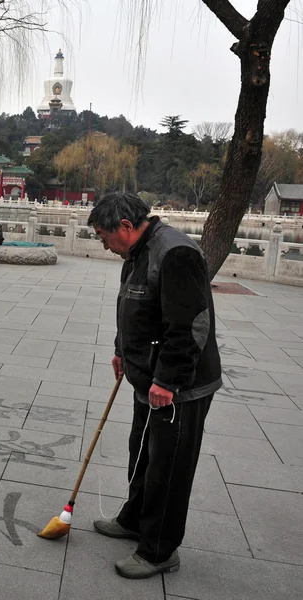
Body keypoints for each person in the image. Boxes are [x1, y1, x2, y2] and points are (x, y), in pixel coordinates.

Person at [88, 193, 222, 580]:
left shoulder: (175, 253)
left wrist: (168, 380)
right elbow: (133, 310)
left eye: (103, 236)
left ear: (126, 228)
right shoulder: (135, 255)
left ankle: (159, 549)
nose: (104, 244)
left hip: (179, 387)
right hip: (147, 378)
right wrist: (121, 351)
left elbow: (190, 326)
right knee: (143, 453)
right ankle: (134, 520)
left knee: (168, 466)